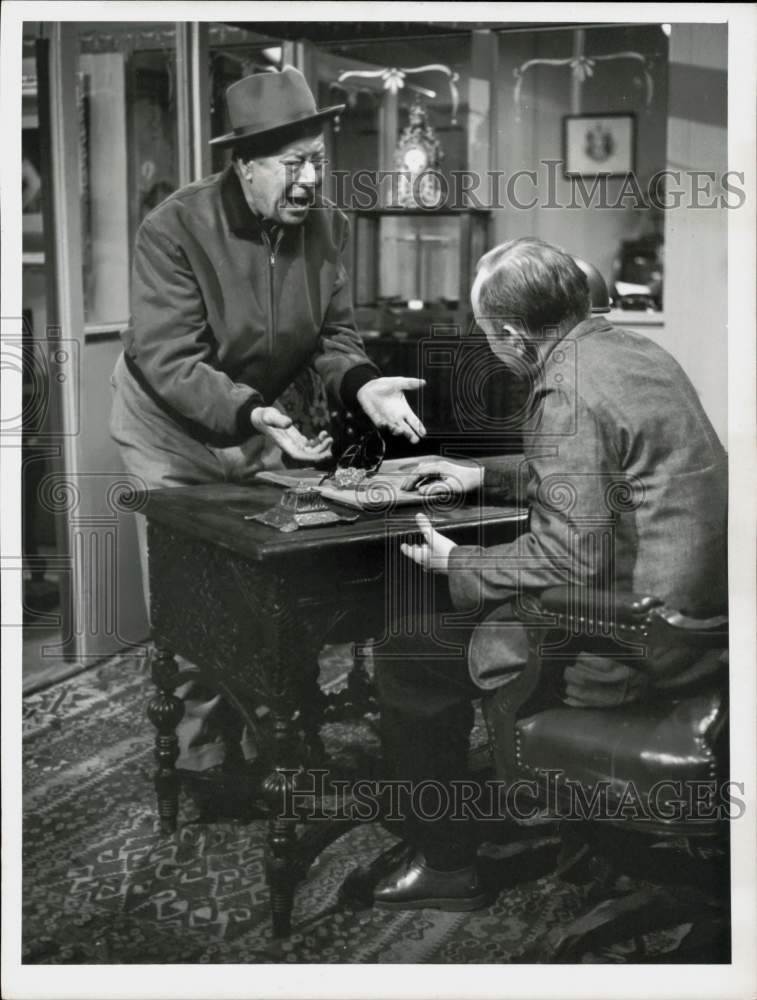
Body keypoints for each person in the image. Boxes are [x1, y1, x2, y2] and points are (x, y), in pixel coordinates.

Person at [371, 237, 728, 910]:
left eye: (486, 335)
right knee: (444, 633)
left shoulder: (561, 388)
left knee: (405, 652)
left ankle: (446, 864)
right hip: (707, 629)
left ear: (510, 332)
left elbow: (570, 559)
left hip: (638, 650)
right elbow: (594, 480)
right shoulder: (632, 353)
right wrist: (481, 473)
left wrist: (459, 561)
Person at [110, 66, 426, 772]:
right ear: (245, 167)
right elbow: (167, 358)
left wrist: (364, 385)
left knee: (265, 583)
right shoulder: (174, 227)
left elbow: (334, 339)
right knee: (198, 594)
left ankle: (275, 734)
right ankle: (205, 764)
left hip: (259, 419)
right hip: (169, 422)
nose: (309, 181)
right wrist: (254, 412)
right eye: (292, 165)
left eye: (317, 161)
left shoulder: (326, 228)